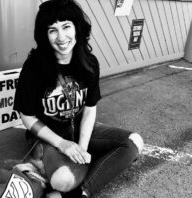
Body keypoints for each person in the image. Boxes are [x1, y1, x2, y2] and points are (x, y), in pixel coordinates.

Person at [13, 0, 144, 197]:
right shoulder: (34, 67)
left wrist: (81, 149)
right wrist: (63, 144)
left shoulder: (89, 63)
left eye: (66, 26)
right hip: (49, 135)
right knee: (62, 180)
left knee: (134, 142)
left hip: (80, 128)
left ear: (77, 28)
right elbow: (28, 117)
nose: (61, 37)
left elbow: (90, 108)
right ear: (45, 35)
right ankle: (49, 168)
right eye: (52, 30)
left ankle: (82, 192)